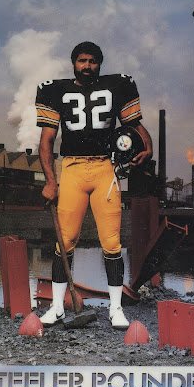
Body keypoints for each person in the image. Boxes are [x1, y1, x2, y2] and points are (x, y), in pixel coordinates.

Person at [35, 41, 153, 328]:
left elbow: (135, 124)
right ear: (73, 63)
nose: (87, 66)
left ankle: (116, 309)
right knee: (65, 241)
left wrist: (148, 145)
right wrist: (50, 180)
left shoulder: (116, 87)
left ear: (99, 64)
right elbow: (47, 140)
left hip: (104, 168)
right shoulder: (56, 90)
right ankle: (57, 307)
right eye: (82, 61)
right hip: (72, 169)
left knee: (111, 243)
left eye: (92, 61)